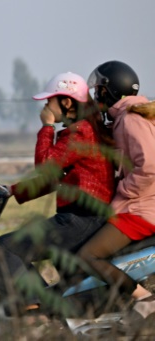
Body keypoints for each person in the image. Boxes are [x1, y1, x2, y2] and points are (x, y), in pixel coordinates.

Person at [0, 72, 116, 315]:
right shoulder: (85, 129)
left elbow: (46, 167)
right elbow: (55, 177)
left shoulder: (80, 132)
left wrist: (47, 126)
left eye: (50, 101)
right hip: (84, 218)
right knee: (67, 285)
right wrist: (11, 191)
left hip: (81, 219)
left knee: (5, 248)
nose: (46, 107)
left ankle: (36, 308)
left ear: (66, 102)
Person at [76, 60, 155, 326]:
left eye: (99, 91)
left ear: (111, 91)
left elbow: (150, 166)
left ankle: (144, 299)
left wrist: (123, 190)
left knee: (89, 255)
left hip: (141, 210)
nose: (96, 96)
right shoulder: (128, 117)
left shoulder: (131, 119)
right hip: (141, 206)